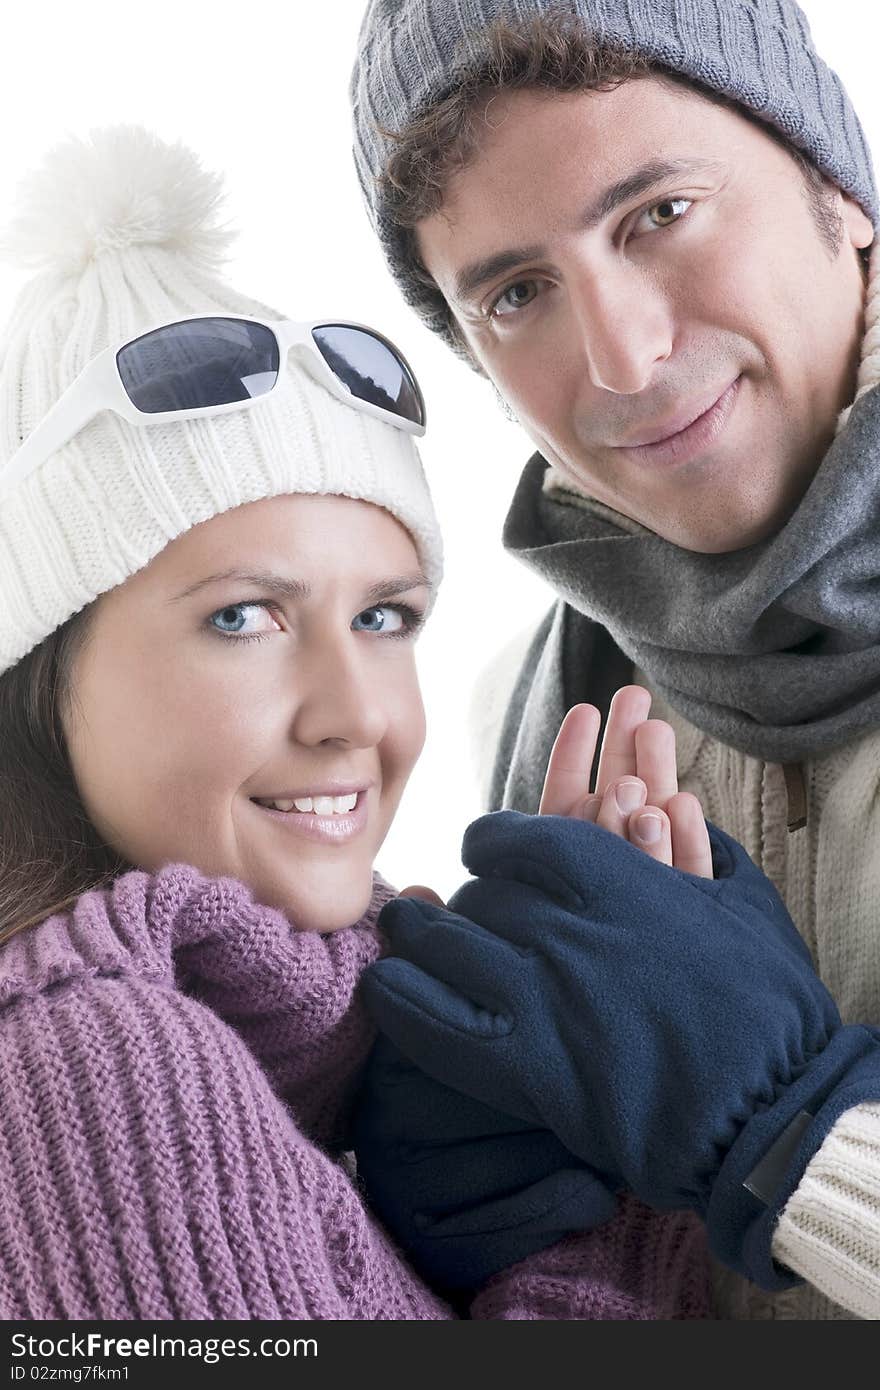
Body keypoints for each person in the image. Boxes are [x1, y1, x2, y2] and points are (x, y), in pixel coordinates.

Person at [0, 124, 712, 1320]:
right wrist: (635, 1154)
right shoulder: (88, 1063)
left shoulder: (335, 1016)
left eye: (385, 617)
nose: (355, 717)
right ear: (38, 671)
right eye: (242, 619)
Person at [350, 0, 880, 1318]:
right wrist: (487, 1224)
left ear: (841, 186)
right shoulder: (534, 713)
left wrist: (797, 1130)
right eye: (517, 292)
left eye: (659, 213)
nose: (625, 358)